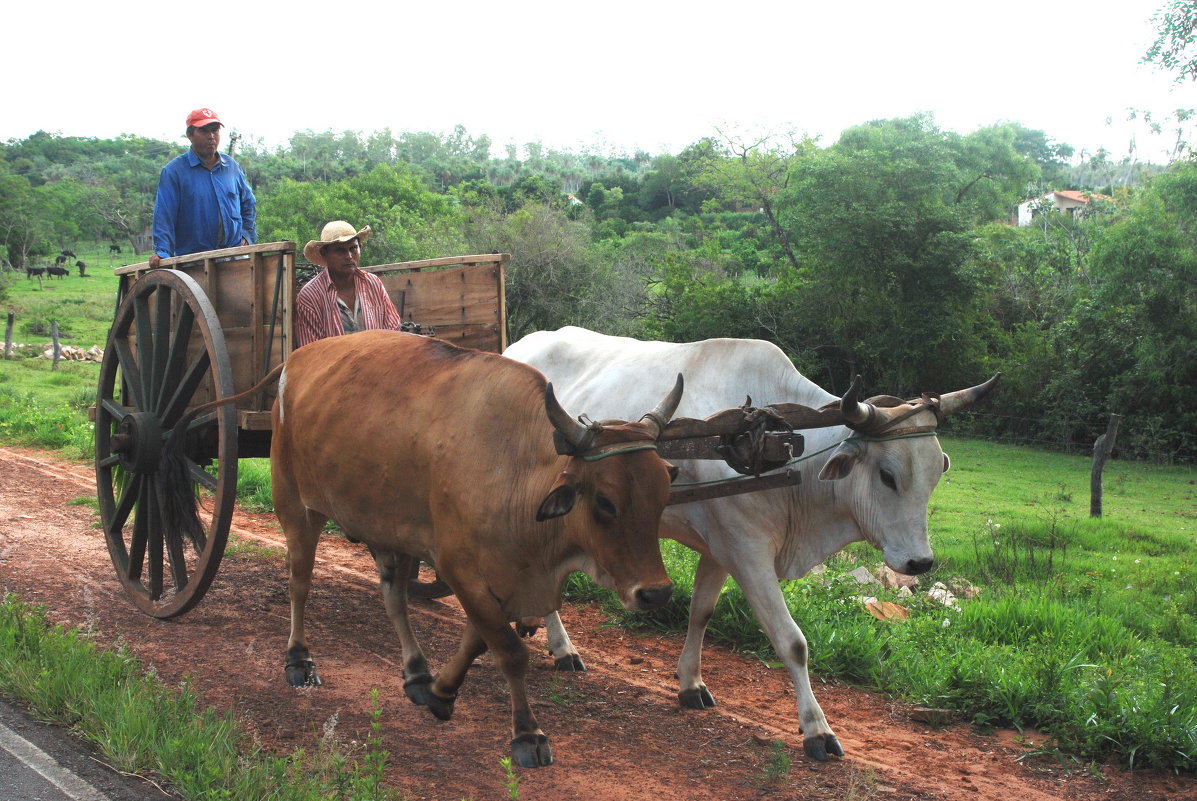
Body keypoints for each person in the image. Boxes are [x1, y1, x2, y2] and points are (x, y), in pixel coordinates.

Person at [149, 108, 257, 268]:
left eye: (215, 130)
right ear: (190, 135)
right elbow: (164, 215)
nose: (211, 136)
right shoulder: (174, 172)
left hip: (235, 256)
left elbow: (248, 204)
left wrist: (246, 236)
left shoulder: (232, 167)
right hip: (192, 261)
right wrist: (163, 252)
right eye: (204, 131)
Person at [295, 220, 402, 347]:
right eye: (340, 251)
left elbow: (393, 331)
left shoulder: (373, 284)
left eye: (353, 249)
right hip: (334, 366)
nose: (349, 256)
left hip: (378, 363)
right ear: (325, 254)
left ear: (359, 249)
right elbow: (312, 352)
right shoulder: (310, 296)